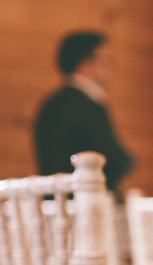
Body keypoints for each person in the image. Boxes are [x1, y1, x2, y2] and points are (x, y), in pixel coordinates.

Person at [33, 31, 133, 202]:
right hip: (84, 205)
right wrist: (128, 162)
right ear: (86, 63)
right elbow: (113, 159)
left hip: (55, 203)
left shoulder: (51, 104)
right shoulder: (85, 105)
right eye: (107, 61)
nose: (112, 68)